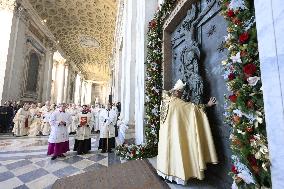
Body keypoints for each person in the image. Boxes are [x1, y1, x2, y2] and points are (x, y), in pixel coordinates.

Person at [157, 79, 218, 185]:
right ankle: (175, 177)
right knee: (175, 154)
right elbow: (193, 109)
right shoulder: (178, 103)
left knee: (166, 153)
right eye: (181, 93)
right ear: (176, 92)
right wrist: (207, 105)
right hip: (174, 135)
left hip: (165, 136)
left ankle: (164, 174)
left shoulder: (165, 100)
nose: (181, 95)